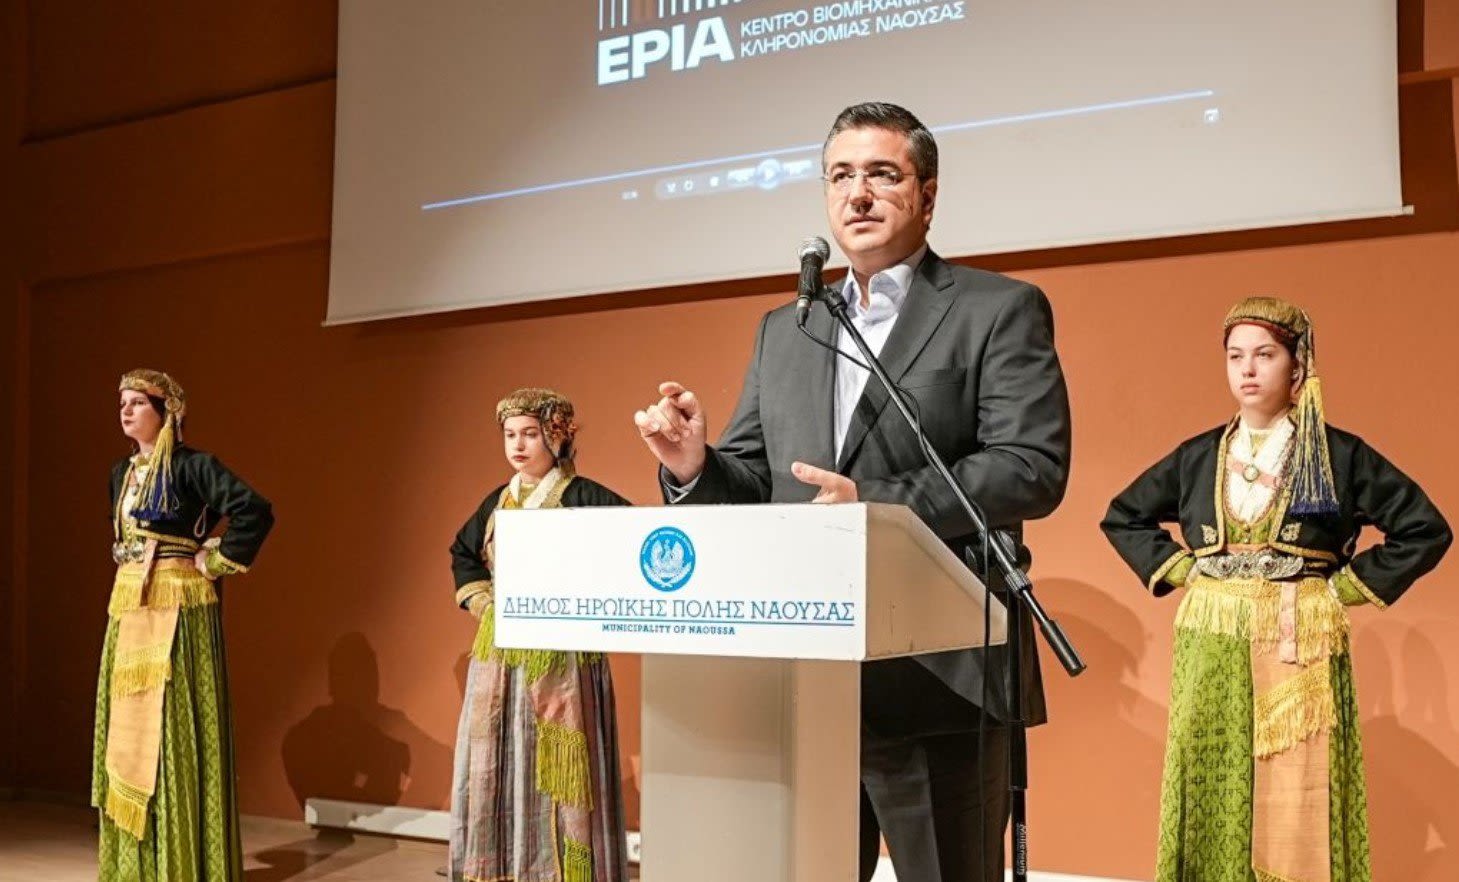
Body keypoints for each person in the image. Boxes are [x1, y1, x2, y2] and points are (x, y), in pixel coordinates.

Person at [634, 102, 1072, 882]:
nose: (857, 194)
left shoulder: (994, 309)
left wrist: (873, 502)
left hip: (939, 676)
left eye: (880, 174)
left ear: (926, 195)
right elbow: (755, 482)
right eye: (840, 176)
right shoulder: (787, 327)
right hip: (802, 679)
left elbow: (1029, 465)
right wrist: (693, 464)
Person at [1101, 296, 1451, 882]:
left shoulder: (1337, 454)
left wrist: (1343, 589)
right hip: (1212, 638)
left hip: (1297, 637)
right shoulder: (1199, 455)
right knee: (1210, 768)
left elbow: (1424, 529)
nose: (1248, 369)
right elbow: (1123, 516)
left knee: (1297, 785)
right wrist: (1184, 571)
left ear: (1297, 364)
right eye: (1235, 356)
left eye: (1264, 355)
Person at [95, 369, 274, 881]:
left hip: (176, 603)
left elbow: (254, 510)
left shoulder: (193, 465)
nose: (126, 410)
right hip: (129, 600)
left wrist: (215, 559)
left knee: (171, 723)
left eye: (138, 402)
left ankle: (182, 863)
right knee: (126, 730)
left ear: (166, 411)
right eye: (122, 402)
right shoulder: (121, 472)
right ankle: (137, 866)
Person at [448, 388, 632, 882]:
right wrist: (484, 602)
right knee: (499, 754)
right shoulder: (498, 501)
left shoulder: (584, 496)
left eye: (529, 434)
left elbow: (631, 542)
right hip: (502, 654)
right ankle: (502, 865)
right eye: (510, 435)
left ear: (555, 437)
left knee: (564, 759)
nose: (518, 445)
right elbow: (463, 552)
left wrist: (588, 600)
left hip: (563, 653)